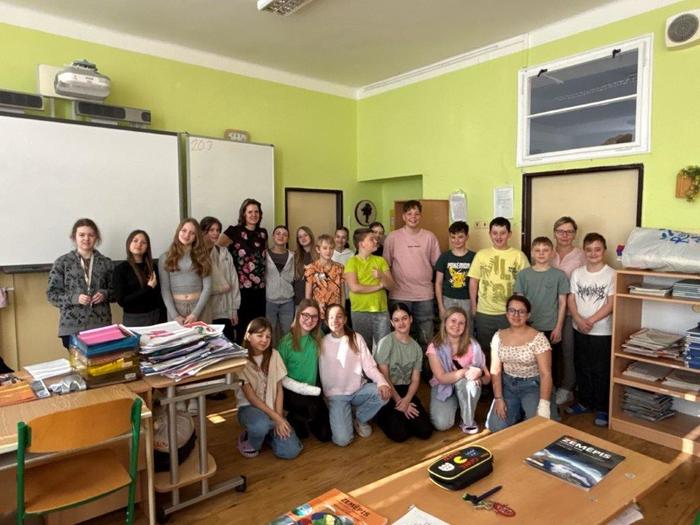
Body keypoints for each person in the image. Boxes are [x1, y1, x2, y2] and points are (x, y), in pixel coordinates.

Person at [319, 304, 391, 446]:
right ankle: (345, 413)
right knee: (342, 440)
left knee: (384, 393)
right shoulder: (321, 342)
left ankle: (360, 418)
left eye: (339, 316)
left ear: (345, 319)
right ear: (326, 322)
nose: (335, 320)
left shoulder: (356, 338)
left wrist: (382, 382)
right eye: (331, 317)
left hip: (358, 390)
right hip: (336, 396)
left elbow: (369, 366)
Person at [486, 295, 558, 432]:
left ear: (528, 315)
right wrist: (499, 398)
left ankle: (528, 410)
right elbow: (495, 370)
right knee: (496, 427)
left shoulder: (539, 339)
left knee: (540, 428)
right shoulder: (498, 337)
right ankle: (519, 411)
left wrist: (543, 405)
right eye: (512, 310)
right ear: (507, 313)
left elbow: (546, 374)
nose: (516, 315)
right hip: (508, 385)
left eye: (521, 311)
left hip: (533, 385)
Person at [235, 317, 303, 459]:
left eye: (268, 336)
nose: (264, 340)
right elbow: (251, 398)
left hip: (272, 409)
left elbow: (279, 390)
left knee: (292, 451)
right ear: (248, 336)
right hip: (249, 408)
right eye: (259, 335)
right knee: (261, 425)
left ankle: (266, 435)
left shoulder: (275, 355)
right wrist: (278, 419)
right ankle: (251, 439)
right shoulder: (241, 360)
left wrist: (279, 417)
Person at [566, 233, 615, 427]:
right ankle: (585, 402)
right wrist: (579, 320)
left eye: (597, 249)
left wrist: (590, 321)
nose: (593, 253)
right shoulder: (577, 273)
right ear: (584, 251)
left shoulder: (612, 274)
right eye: (589, 250)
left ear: (604, 251)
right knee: (582, 366)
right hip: (579, 329)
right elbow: (571, 299)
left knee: (601, 370)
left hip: (602, 331)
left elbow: (610, 304)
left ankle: (602, 408)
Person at [468, 217, 529, 366]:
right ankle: (488, 379)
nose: (498, 236)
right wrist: (474, 306)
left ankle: (506, 378)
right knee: (485, 351)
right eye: (495, 233)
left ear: (509, 234)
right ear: (490, 234)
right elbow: (474, 281)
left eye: (503, 233)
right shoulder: (481, 255)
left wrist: (520, 310)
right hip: (485, 312)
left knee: (509, 350)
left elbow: (526, 283)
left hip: (509, 313)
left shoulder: (518, 256)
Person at [514, 236, 569, 395]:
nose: (541, 253)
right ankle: (530, 394)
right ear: (532, 253)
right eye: (537, 250)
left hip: (550, 328)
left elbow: (563, 303)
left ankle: (550, 395)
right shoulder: (523, 275)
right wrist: (520, 327)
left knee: (551, 364)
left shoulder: (559, 275)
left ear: (552, 253)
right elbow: (519, 303)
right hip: (529, 328)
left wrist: (558, 328)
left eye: (545, 250)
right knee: (528, 363)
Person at [47, 218, 113, 348]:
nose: (86, 238)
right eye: (82, 235)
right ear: (74, 237)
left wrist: (105, 294)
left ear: (96, 238)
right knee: (77, 361)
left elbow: (116, 292)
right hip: (71, 327)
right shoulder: (62, 262)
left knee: (102, 360)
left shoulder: (106, 263)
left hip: (101, 325)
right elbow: (52, 295)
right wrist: (75, 298)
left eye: (91, 235)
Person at [383, 201, 441, 348]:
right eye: (409, 214)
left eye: (416, 214)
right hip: (399, 294)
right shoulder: (392, 237)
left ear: (420, 216)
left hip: (424, 295)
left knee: (426, 338)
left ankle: (425, 363)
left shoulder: (430, 237)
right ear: (403, 216)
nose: (413, 217)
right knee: (398, 337)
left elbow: (438, 265)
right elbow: (385, 266)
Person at [374, 303, 433, 442]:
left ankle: (401, 417)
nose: (401, 323)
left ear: (411, 319)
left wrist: (407, 400)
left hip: (406, 390)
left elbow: (415, 380)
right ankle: (380, 415)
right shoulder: (385, 343)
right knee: (400, 434)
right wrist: (399, 401)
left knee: (425, 431)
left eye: (404, 318)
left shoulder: (416, 348)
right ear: (392, 323)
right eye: (396, 320)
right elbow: (384, 376)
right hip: (388, 390)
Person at [427, 307, 490, 434]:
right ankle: (458, 404)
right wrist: (465, 371)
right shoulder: (435, 347)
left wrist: (479, 375)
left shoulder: (473, 345)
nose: (457, 325)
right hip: (443, 386)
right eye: (453, 321)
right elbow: (441, 378)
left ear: (465, 326)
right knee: (442, 424)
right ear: (445, 322)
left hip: (465, 386)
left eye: (461, 323)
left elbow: (487, 378)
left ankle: (467, 420)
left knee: (471, 384)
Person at [277, 299, 332, 442]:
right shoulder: (286, 342)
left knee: (326, 435)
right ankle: (296, 416)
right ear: (298, 315)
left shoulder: (319, 337)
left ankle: (307, 417)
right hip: (292, 392)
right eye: (305, 315)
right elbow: (278, 376)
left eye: (314, 316)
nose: (309, 320)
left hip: (312, 390)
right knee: (302, 432)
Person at [218, 198, 267, 344]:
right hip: (241, 290)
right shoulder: (234, 231)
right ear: (244, 214)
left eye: (256, 212)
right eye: (250, 212)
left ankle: (256, 355)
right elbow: (216, 250)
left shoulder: (262, 233)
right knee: (242, 329)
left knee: (258, 328)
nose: (253, 215)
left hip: (260, 289)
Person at [550, 216, 587, 406]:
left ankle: (567, 388)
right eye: (560, 231)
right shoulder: (547, 252)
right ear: (554, 233)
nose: (564, 235)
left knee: (568, 351)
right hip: (547, 311)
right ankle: (550, 386)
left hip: (571, 311)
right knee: (548, 352)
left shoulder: (581, 256)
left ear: (574, 234)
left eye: (569, 231)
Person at [344, 228, 395, 349]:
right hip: (359, 311)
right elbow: (354, 287)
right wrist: (379, 286)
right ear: (362, 244)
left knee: (384, 348)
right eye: (371, 239)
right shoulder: (351, 262)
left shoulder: (380, 260)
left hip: (381, 311)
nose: (376, 241)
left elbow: (392, 286)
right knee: (363, 348)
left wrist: (381, 276)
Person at [159, 218, 212, 324]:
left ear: (196, 237)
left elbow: (208, 287)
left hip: (200, 308)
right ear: (178, 231)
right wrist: (175, 316)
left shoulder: (203, 256)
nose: (187, 235)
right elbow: (165, 289)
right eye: (184, 230)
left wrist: (195, 314)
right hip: (176, 310)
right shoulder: (165, 257)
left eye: (192, 233)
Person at [112, 229, 164, 327]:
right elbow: (122, 301)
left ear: (147, 247)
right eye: (135, 241)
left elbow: (159, 296)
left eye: (143, 242)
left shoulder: (153, 267)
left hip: (156, 317)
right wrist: (148, 288)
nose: (139, 244)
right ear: (129, 243)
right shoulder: (120, 269)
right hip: (134, 319)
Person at [201, 216, 240, 342]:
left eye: (218, 230)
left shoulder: (224, 252)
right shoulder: (197, 254)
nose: (216, 233)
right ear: (203, 231)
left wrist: (234, 309)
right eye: (211, 230)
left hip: (224, 309)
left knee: (227, 344)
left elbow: (233, 280)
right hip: (205, 309)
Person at [434, 221, 476, 329]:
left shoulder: (474, 257)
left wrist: (474, 304)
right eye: (453, 237)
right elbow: (438, 283)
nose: (456, 240)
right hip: (447, 299)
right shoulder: (444, 257)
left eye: (460, 237)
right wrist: (441, 306)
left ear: (467, 237)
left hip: (467, 300)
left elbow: (476, 283)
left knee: (466, 329)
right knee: (448, 329)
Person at [265, 225, 295, 342]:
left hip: (288, 301)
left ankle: (285, 353)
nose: (281, 236)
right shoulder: (265, 254)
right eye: (278, 233)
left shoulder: (293, 255)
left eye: (285, 234)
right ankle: (271, 353)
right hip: (269, 300)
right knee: (268, 332)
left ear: (288, 238)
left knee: (288, 333)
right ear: (273, 236)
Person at [305, 234, 344, 322]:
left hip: (335, 313)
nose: (328, 251)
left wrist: (342, 311)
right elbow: (308, 295)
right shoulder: (310, 268)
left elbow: (342, 293)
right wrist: (310, 314)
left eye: (331, 248)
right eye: (325, 248)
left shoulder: (340, 268)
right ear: (318, 249)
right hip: (317, 314)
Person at [332, 226, 354, 321]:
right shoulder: (329, 253)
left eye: (343, 237)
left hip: (348, 295)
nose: (340, 240)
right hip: (332, 295)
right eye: (338, 237)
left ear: (347, 239)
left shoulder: (351, 254)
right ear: (334, 237)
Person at [293, 226, 316, 305]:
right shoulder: (295, 255)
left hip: (316, 299)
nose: (303, 238)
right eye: (300, 237)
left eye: (305, 235)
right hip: (299, 299)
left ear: (310, 236)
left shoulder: (319, 254)